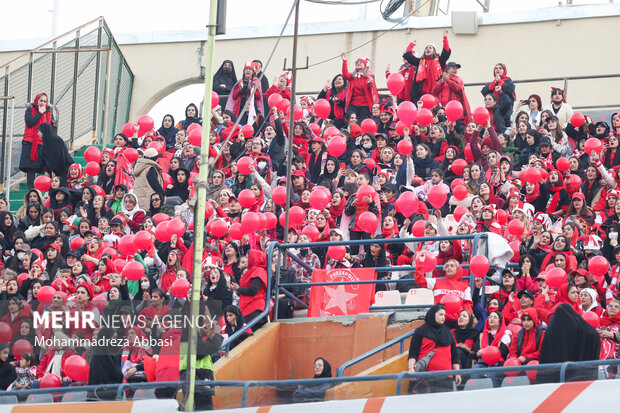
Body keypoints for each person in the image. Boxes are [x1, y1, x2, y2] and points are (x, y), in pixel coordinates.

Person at [539, 303, 601, 383]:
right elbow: (592, 335)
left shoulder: (551, 330)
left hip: (553, 381)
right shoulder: (580, 329)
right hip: (580, 380)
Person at [408, 304, 461, 394]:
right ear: (433, 314)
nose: (443, 317)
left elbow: (455, 357)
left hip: (446, 378)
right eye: (440, 314)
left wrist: (458, 373)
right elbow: (413, 353)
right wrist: (411, 368)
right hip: (425, 377)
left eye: (444, 315)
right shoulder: (420, 331)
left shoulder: (448, 333)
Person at [402, 30, 452, 104]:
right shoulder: (420, 61)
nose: (428, 49)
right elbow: (408, 55)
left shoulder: (439, 60)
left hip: (436, 93)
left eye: (430, 48)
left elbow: (446, 52)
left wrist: (445, 38)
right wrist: (411, 44)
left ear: (434, 51)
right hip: (421, 94)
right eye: (426, 48)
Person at [20, 92, 55, 188]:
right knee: (31, 168)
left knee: (46, 167)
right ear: (37, 101)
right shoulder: (30, 110)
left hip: (43, 143)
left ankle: (44, 188)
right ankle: (31, 190)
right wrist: (39, 113)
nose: (43, 103)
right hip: (30, 143)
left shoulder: (48, 113)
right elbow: (30, 122)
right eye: (41, 101)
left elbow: (51, 129)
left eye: (45, 101)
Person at [340, 54, 379, 122]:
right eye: (357, 62)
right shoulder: (352, 77)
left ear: (365, 65)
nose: (359, 63)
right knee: (350, 119)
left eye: (361, 62)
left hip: (365, 104)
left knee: (362, 121)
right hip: (353, 103)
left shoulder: (369, 78)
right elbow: (345, 74)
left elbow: (373, 89)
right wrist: (344, 61)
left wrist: (370, 83)